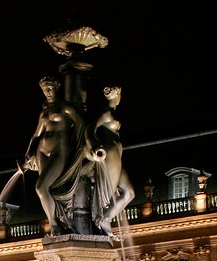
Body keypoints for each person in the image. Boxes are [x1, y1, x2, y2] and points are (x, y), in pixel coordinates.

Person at [24, 76, 87, 234]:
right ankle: (58, 221)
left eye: (50, 88)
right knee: (48, 189)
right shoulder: (44, 112)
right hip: (42, 151)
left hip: (60, 149)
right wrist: (27, 155)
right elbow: (35, 135)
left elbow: (82, 124)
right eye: (45, 89)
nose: (48, 91)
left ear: (56, 88)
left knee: (41, 187)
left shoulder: (66, 108)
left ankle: (54, 224)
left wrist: (81, 147)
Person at [89, 86, 135, 235]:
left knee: (129, 193)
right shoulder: (106, 113)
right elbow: (89, 129)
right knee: (107, 195)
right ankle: (97, 220)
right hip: (109, 152)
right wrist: (94, 147)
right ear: (117, 96)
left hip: (117, 153)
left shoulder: (111, 112)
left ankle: (106, 219)